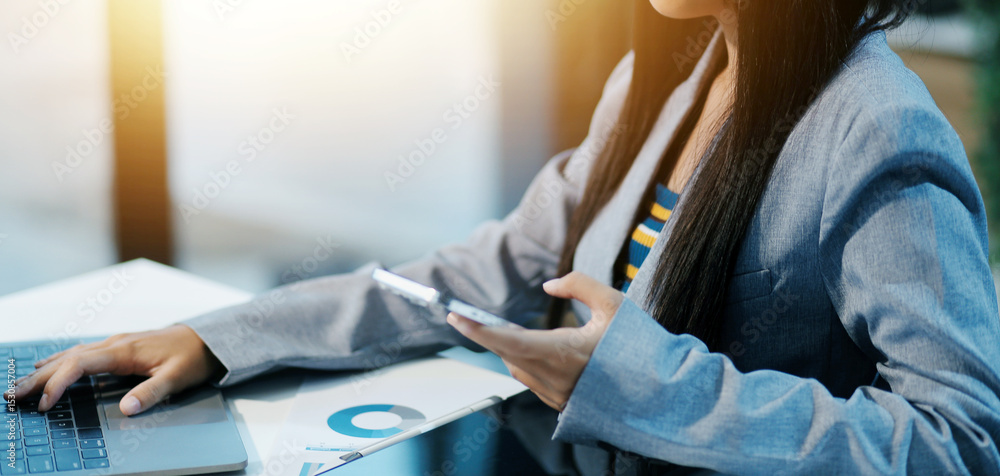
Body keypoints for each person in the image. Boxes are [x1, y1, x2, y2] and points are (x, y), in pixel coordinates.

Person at [11, 0, 1000, 474]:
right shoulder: (669, 78)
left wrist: (637, 377)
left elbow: (957, 438)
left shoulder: (876, 126)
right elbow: (492, 268)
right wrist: (221, 337)